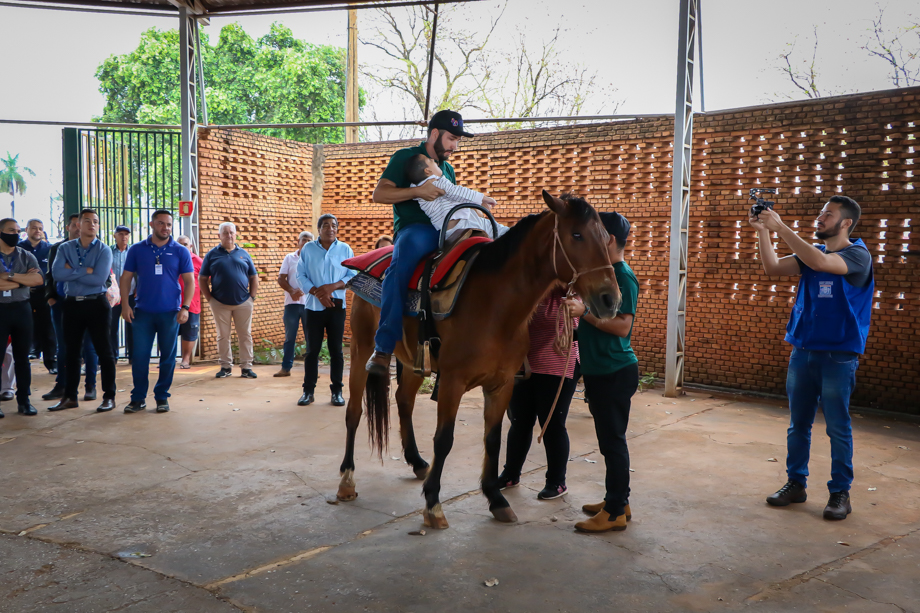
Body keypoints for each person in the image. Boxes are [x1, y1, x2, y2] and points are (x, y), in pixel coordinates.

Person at [752, 196, 873, 521]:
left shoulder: (857, 255)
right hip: (803, 350)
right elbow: (773, 268)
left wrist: (780, 226)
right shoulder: (813, 253)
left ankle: (839, 494)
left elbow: (822, 265)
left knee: (837, 427)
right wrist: (764, 231)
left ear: (845, 222)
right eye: (820, 213)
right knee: (798, 425)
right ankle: (796, 483)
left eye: (828, 215)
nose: (820, 218)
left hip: (838, 354)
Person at [366, 110, 493, 375]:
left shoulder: (448, 169)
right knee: (399, 268)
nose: (454, 146)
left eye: (458, 140)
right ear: (434, 134)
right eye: (451, 139)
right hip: (416, 229)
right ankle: (383, 348)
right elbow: (379, 194)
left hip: (449, 227)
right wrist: (417, 191)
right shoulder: (405, 157)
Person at [564, 211, 639, 534]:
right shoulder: (605, 275)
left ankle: (613, 511)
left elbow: (623, 327)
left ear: (608, 239)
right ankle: (618, 501)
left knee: (612, 443)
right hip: (600, 370)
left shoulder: (623, 277)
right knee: (610, 442)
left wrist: (585, 313)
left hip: (614, 371)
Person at [497, 287, 580, 500]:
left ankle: (556, 482)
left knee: (551, 424)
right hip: (523, 364)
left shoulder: (571, 291)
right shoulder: (528, 288)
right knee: (520, 422)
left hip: (558, 363)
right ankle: (510, 474)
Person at [120, 209, 194, 414]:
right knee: (140, 356)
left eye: (169, 224)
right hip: (142, 312)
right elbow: (125, 278)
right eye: (161, 223)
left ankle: (162, 397)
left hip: (170, 313)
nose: (165, 228)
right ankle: (138, 398)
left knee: (168, 358)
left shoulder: (180, 251)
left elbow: (190, 282)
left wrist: (185, 307)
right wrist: (126, 306)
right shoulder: (137, 250)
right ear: (152, 225)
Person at [48, 209, 117, 413]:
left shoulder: (104, 250)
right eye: (87, 221)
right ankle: (70, 397)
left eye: (95, 221)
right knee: (71, 352)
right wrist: (87, 270)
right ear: (78, 224)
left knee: (104, 351)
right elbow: (57, 274)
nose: (92, 224)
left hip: (96, 304)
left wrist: (73, 271)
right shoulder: (65, 248)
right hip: (71, 304)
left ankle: (109, 397)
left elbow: (99, 279)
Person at [295, 214, 355, 406]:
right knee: (312, 350)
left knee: (336, 351)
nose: (331, 228)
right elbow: (300, 274)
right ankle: (308, 391)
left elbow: (352, 274)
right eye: (326, 225)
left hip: (337, 308)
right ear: (319, 229)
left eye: (334, 225)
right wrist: (318, 293)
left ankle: (337, 391)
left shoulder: (345, 249)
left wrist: (332, 287)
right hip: (314, 307)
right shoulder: (308, 249)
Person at [42, 214, 99, 402]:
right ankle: (62, 385)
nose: (78, 228)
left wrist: (70, 271)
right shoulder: (58, 248)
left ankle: (90, 385)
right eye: (75, 225)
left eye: (80, 224)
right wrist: (50, 297)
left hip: (89, 302)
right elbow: (53, 274)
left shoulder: (97, 248)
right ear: (69, 228)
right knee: (63, 346)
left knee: (90, 346)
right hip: (61, 303)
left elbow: (100, 276)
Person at [200, 222, 259, 379]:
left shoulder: (243, 254)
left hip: (243, 303)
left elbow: (253, 276)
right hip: (219, 303)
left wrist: (251, 297)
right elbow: (202, 278)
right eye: (225, 233)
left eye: (231, 232)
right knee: (223, 335)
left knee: (245, 335)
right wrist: (210, 299)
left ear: (235, 234)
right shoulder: (212, 255)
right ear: (219, 236)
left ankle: (247, 367)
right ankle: (225, 367)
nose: (229, 235)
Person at [406, 154, 507, 241]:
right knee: (504, 233)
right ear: (428, 171)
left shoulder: (419, 189)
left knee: (499, 231)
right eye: (430, 160)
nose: (433, 160)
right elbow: (456, 191)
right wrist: (483, 198)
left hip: (456, 227)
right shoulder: (434, 182)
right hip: (463, 225)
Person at [0, 218, 43, 417]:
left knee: (22, 358)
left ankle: (24, 400)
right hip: (1, 310)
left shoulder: (26, 255)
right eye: (11, 230)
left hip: (22, 309)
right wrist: (22, 280)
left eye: (18, 231)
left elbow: (37, 279)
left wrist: (8, 277)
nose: (16, 234)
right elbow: (28, 279)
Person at [275, 230, 313, 377]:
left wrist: (307, 288)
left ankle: (311, 370)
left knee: (311, 338)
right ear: (298, 241)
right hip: (291, 304)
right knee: (290, 337)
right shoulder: (290, 258)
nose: (306, 242)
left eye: (309, 240)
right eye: (304, 239)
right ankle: (286, 368)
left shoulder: (314, 259)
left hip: (309, 304)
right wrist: (292, 291)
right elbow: (281, 278)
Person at [19, 219, 55, 373]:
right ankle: (22, 362)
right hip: (22, 295)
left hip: (44, 294)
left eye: (40, 228)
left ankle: (51, 362)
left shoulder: (50, 249)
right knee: (24, 328)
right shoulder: (18, 248)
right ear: (26, 230)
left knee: (48, 329)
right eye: (34, 228)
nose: (37, 231)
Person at [176, 234, 203, 369]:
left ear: (190, 246)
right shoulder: (172, 259)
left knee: (190, 332)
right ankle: (167, 359)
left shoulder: (198, 261)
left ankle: (185, 359)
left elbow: (205, 280)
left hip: (191, 304)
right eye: (180, 244)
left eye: (185, 244)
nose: (182, 247)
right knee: (169, 332)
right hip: (172, 304)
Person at [110, 225, 133, 361]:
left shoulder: (133, 252)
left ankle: (133, 355)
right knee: (111, 326)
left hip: (130, 294)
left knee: (132, 325)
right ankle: (113, 355)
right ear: (115, 236)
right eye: (120, 234)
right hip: (113, 296)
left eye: (126, 234)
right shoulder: (108, 251)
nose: (124, 237)